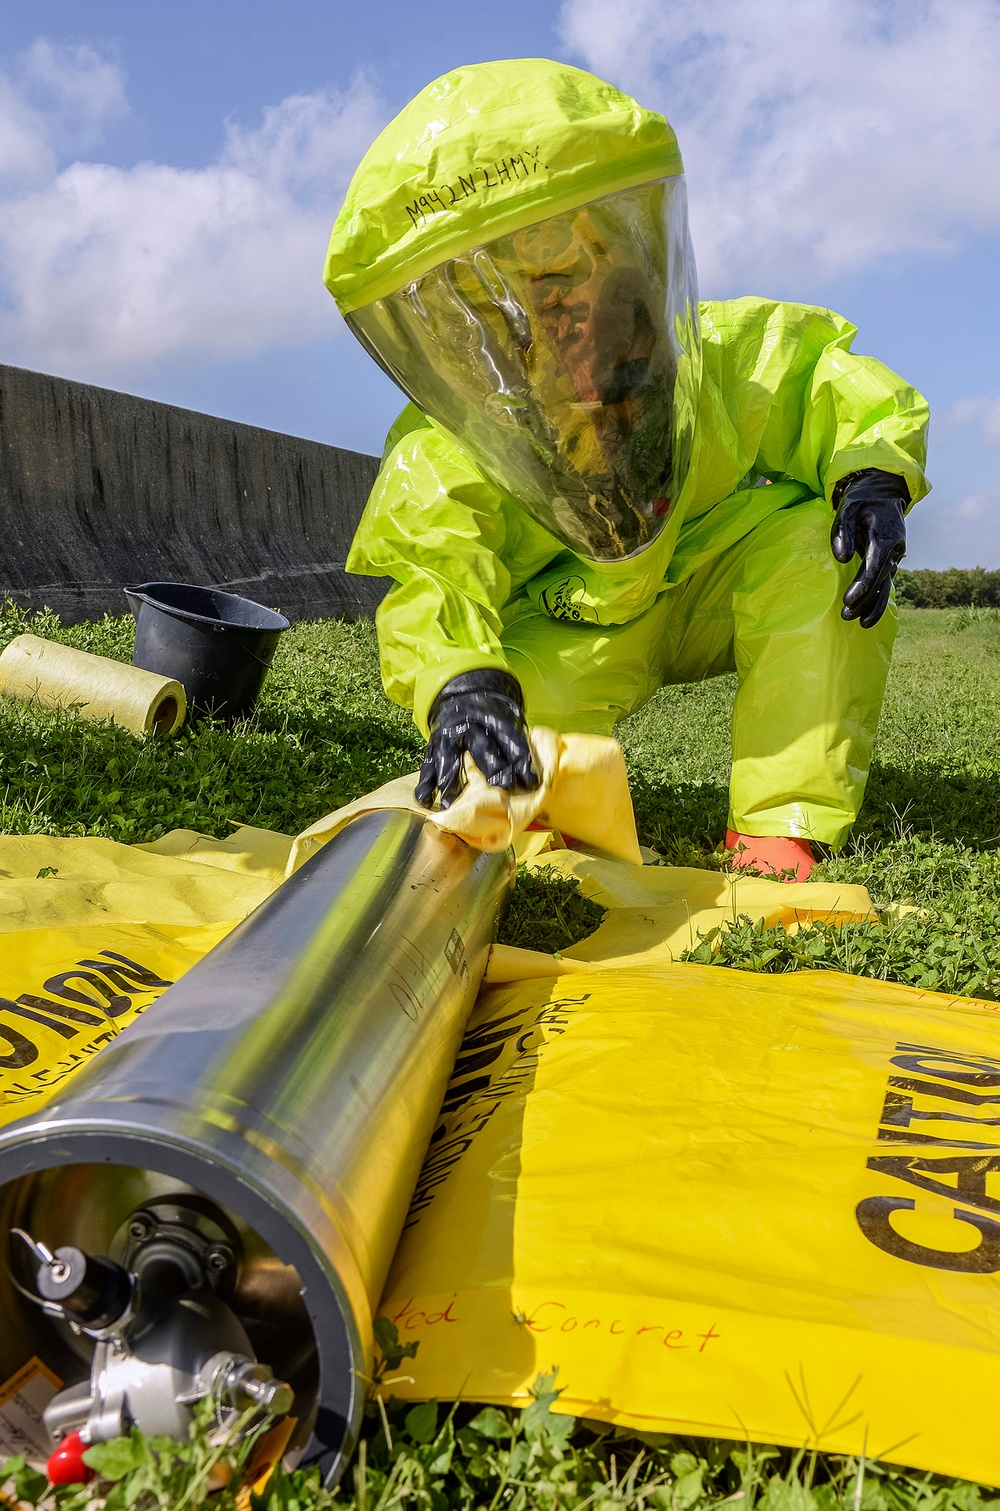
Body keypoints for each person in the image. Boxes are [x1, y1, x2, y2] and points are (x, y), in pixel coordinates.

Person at [324, 59, 928, 881]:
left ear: (632, 261)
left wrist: (872, 476)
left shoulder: (717, 357)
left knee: (812, 551)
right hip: (571, 631)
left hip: (716, 575)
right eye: (529, 308)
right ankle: (556, 812)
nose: (564, 325)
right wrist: (461, 682)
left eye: (576, 288)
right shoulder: (451, 447)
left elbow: (821, 382)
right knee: (502, 722)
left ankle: (780, 827)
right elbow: (432, 571)